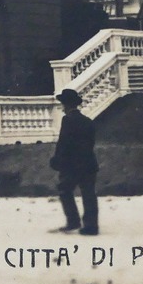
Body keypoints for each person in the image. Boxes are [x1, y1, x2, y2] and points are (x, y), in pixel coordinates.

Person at [50, 89, 99, 235]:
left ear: (66, 105)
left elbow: (64, 143)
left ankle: (73, 222)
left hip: (72, 165)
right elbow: (90, 143)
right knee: (89, 194)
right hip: (89, 163)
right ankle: (91, 226)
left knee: (65, 191)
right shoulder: (88, 121)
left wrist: (57, 159)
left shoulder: (68, 120)